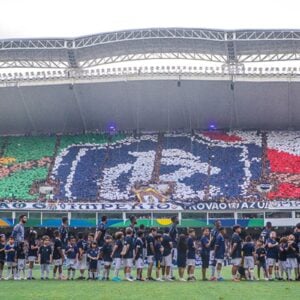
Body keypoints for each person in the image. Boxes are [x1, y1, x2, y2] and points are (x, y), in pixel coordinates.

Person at [169, 215, 179, 279]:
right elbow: (170, 234)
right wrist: (173, 242)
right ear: (174, 220)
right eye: (177, 218)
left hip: (174, 245)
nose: (178, 219)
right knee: (171, 259)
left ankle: (171, 274)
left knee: (173, 260)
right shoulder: (173, 226)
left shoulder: (174, 226)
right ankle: (170, 275)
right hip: (173, 246)